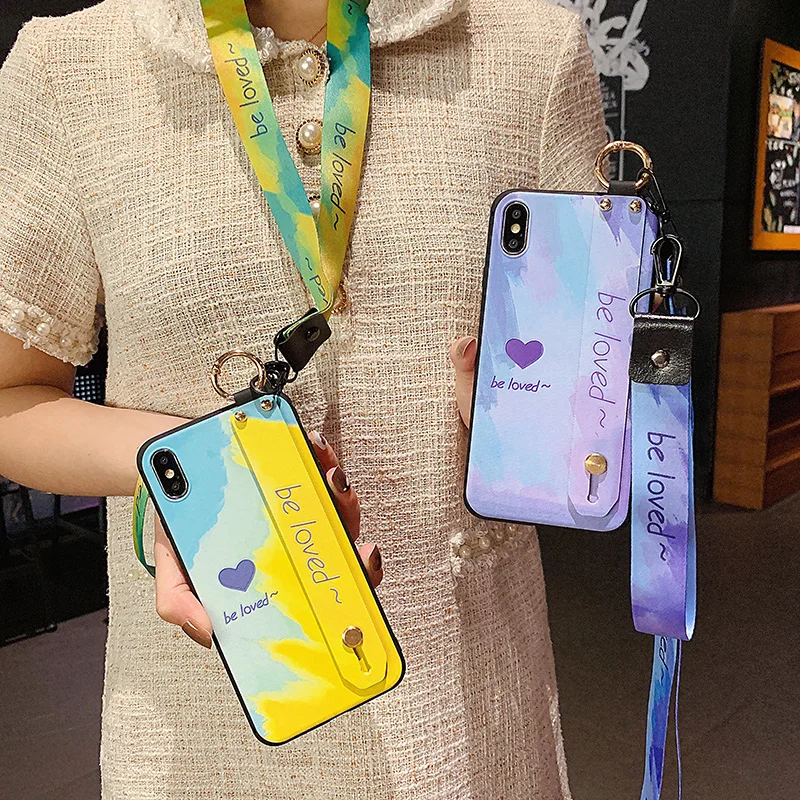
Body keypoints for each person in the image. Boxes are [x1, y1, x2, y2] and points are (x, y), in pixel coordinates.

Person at [0, 0, 606, 796]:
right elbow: (13, 395)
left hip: (465, 724)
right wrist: (194, 465)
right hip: (204, 718)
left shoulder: (533, 51)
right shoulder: (70, 69)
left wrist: (525, 422)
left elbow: (582, 394)